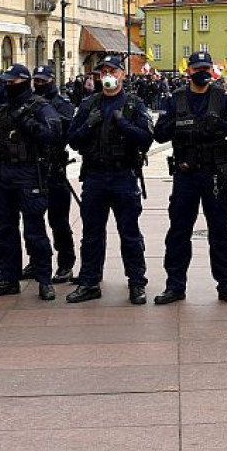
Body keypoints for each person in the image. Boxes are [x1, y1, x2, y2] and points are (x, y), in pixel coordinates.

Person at [152, 52, 227, 306]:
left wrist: (219, 123)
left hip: (215, 174)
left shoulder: (224, 98)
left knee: (219, 231)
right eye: (197, 68)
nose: (202, 72)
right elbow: (159, 134)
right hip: (186, 174)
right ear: (189, 71)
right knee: (179, 231)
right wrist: (179, 122)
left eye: (206, 67)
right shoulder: (175, 99)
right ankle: (175, 285)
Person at [66, 55, 153, 304]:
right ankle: (89, 282)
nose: (107, 76)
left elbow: (147, 138)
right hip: (95, 175)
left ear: (122, 74)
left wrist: (124, 124)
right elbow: (73, 139)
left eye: (112, 71)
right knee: (92, 233)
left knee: (129, 233)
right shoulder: (89, 104)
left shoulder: (134, 104)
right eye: (103, 71)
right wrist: (88, 126)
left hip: (123, 175)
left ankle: (137, 282)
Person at [0, 64, 61, 301]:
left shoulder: (40, 107)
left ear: (24, 81)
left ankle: (44, 279)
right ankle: (8, 277)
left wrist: (28, 123)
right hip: (4, 173)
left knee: (34, 230)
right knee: (4, 229)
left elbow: (54, 135)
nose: (8, 86)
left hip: (29, 172)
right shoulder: (4, 109)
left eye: (12, 82)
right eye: (5, 82)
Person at [30, 65, 77, 283]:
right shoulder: (29, 103)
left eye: (43, 81)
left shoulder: (62, 104)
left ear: (51, 80)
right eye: (36, 81)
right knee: (33, 221)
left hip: (54, 168)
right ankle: (36, 260)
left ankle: (65, 264)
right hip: (32, 168)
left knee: (59, 221)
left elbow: (63, 134)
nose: (39, 84)